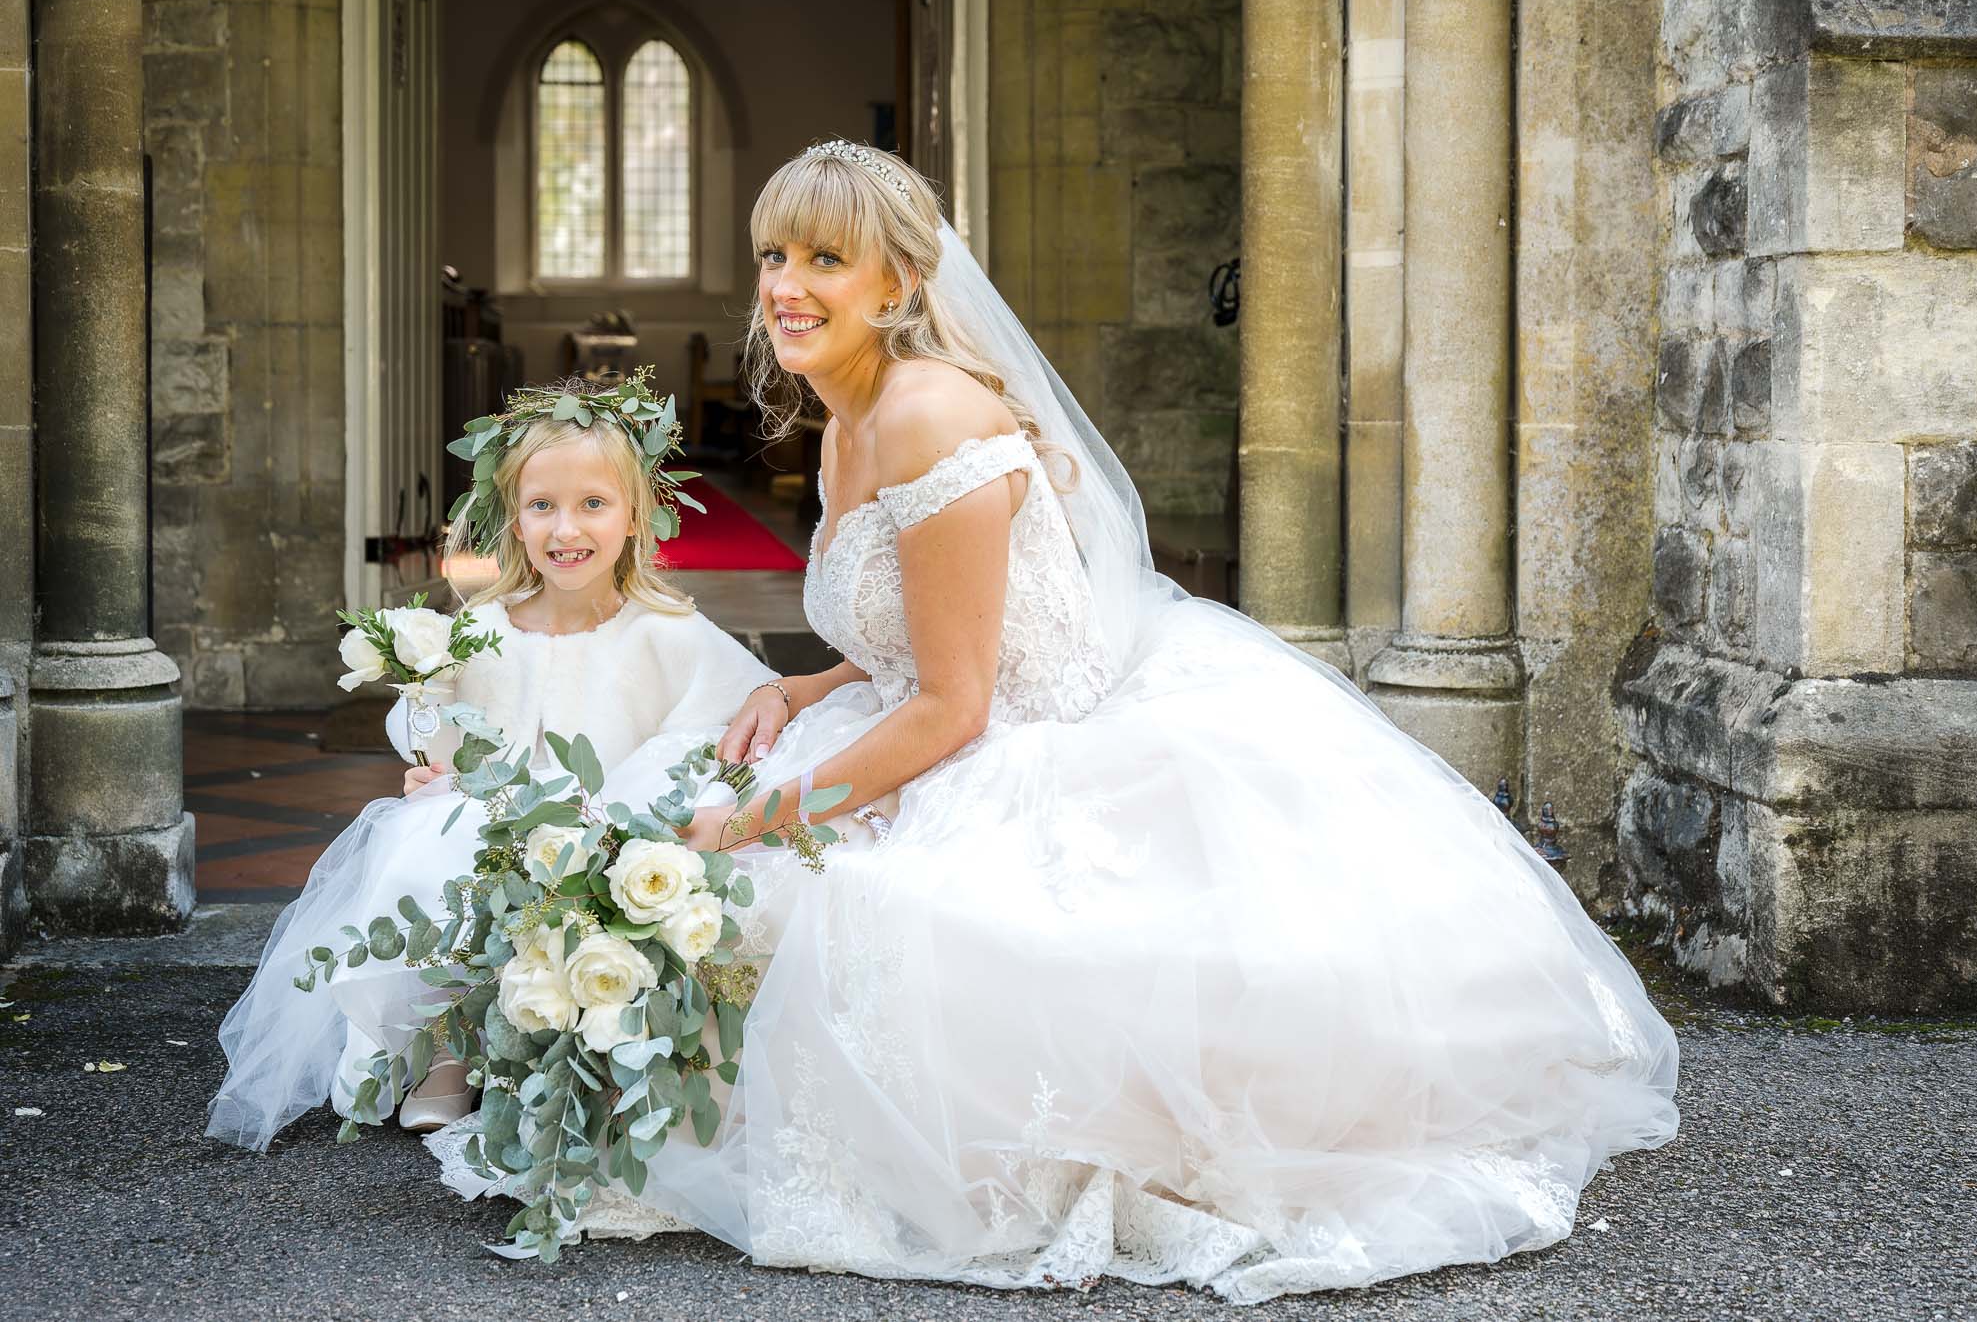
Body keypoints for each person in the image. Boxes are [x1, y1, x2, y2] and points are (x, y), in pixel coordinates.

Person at [424, 139, 1682, 1304]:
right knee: (676, 833)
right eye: (772, 255)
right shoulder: (849, 417)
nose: (786, 287)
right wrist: (800, 687)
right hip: (936, 715)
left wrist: (752, 821)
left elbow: (957, 703)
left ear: (897, 280)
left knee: (788, 889)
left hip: (1025, 754)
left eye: (823, 259)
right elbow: (915, 637)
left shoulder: (924, 414)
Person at [205, 401, 776, 1151]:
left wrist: (652, 801)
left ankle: (546, 1050)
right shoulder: (485, 625)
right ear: (513, 518)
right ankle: (449, 1043)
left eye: (593, 504)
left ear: (636, 517)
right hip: (497, 816)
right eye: (542, 506)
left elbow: (721, 726)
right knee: (423, 846)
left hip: (604, 825)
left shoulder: (666, 630)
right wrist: (433, 768)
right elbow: (444, 738)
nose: (565, 530)